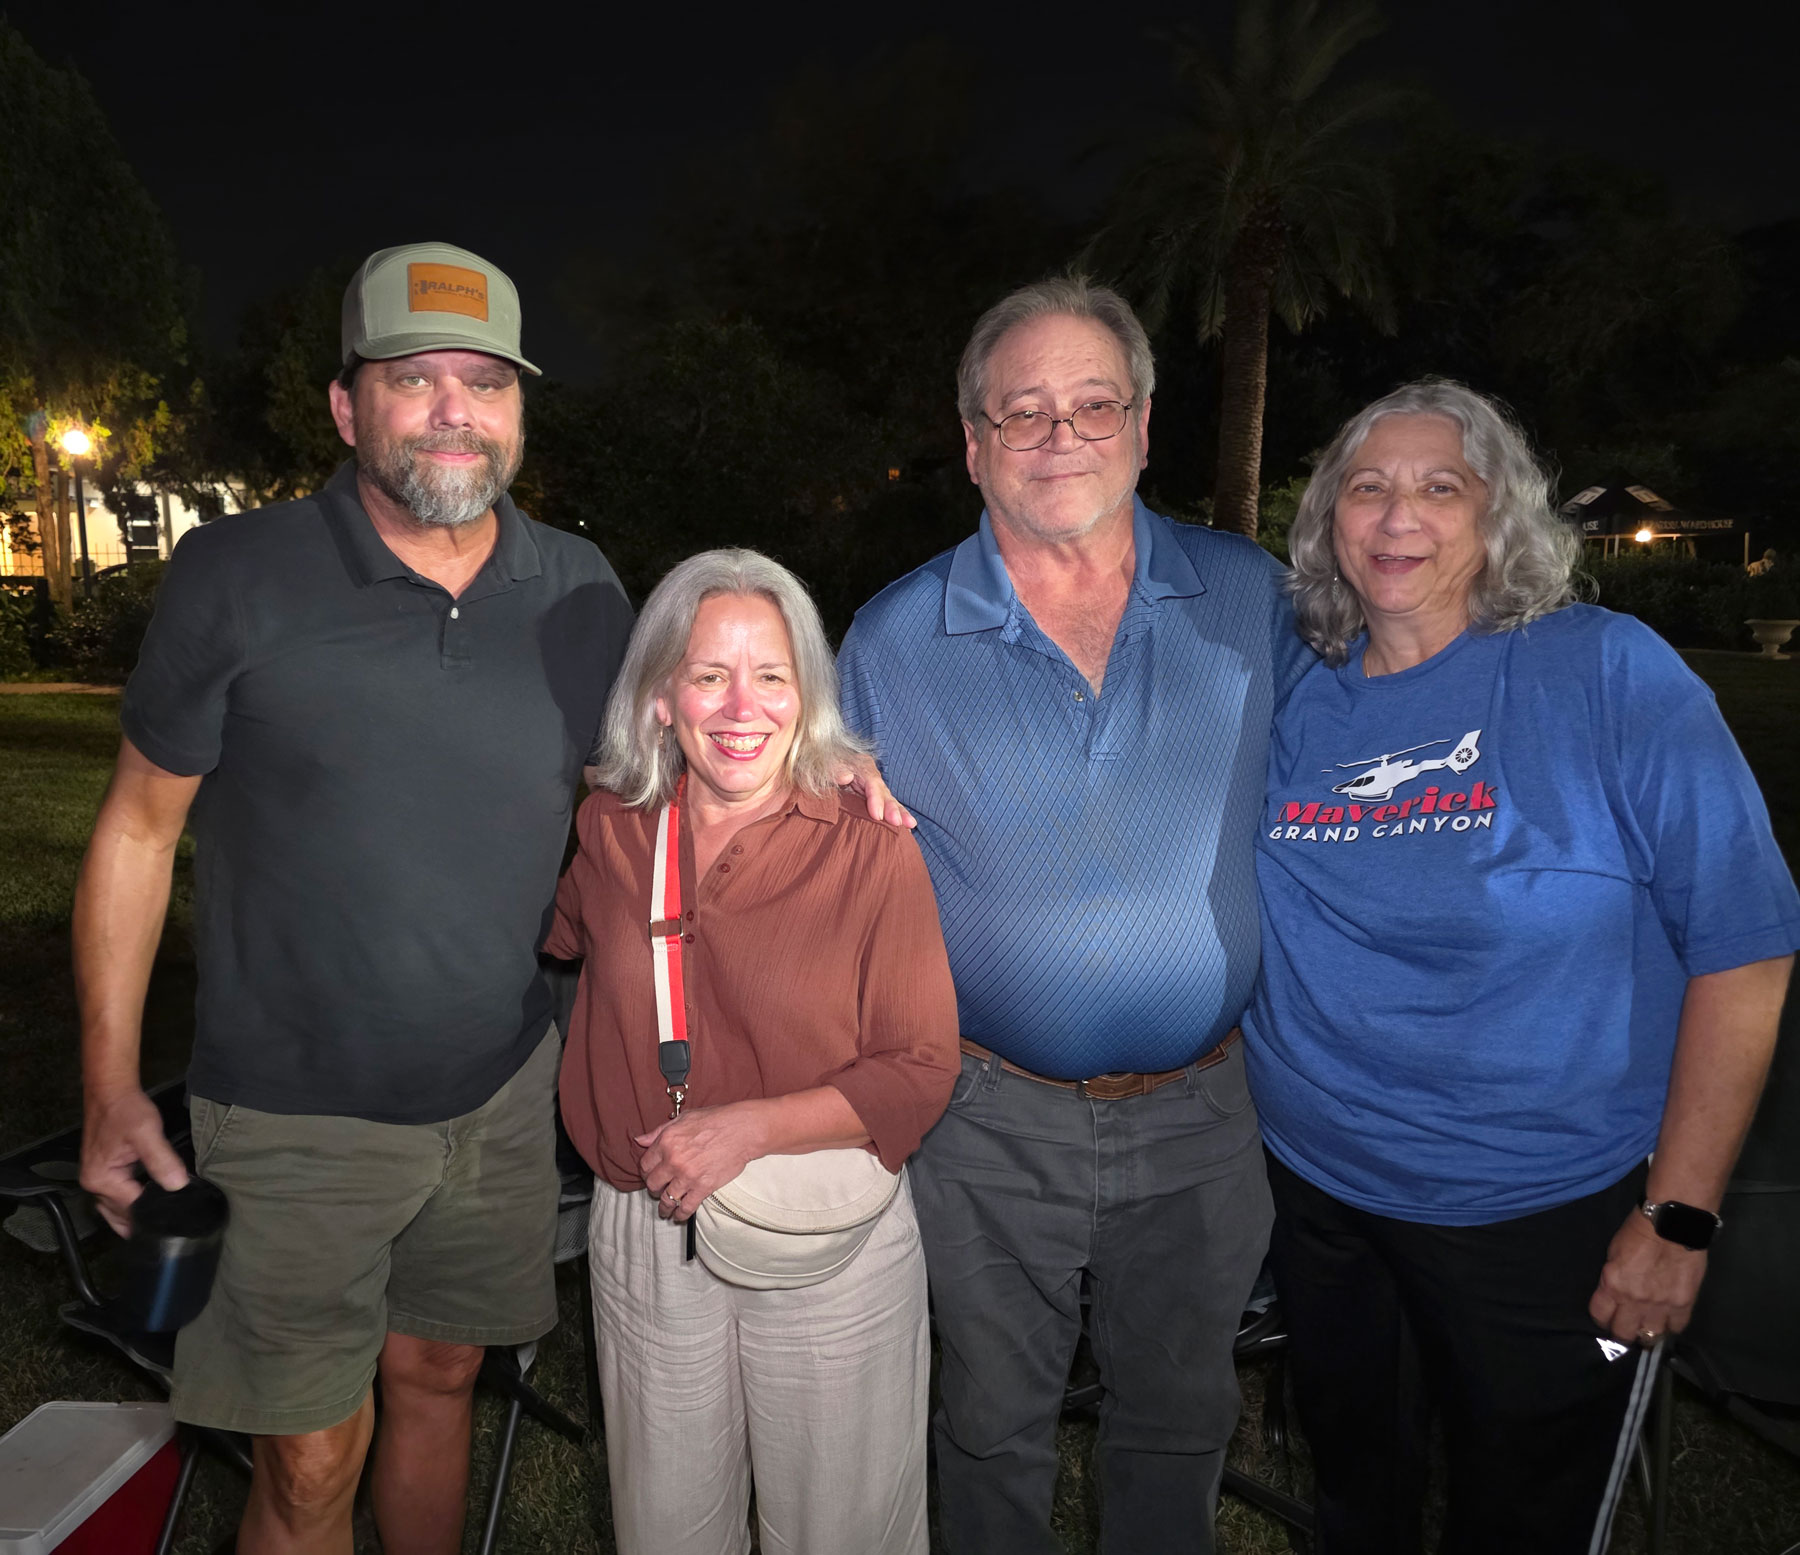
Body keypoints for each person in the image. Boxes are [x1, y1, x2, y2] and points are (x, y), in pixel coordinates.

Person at [71, 240, 635, 1555]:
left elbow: (651, 799)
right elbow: (138, 829)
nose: (454, 410)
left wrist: (834, 777)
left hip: (499, 1094)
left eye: (485, 382)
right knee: (310, 1461)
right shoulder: (237, 573)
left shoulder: (581, 589)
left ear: (519, 409)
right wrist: (107, 1087)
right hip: (291, 1109)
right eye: (413, 378)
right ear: (345, 405)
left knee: (440, 1377)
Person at [1243, 378, 1800, 1555]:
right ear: (1329, 522)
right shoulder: (1296, 690)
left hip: (1542, 1213)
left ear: (1499, 517)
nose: (1399, 516)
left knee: (1529, 1507)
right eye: (1368, 487)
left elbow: (1745, 946)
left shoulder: (1606, 670)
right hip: (1323, 1192)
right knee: (1357, 1487)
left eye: (1441, 487)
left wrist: (1679, 1218)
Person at [837, 277, 1312, 1555]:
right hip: (988, 1117)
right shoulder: (893, 638)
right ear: (974, 443)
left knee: (1181, 1413)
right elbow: (812, 838)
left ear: (1144, 427)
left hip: (1210, 1110)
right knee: (991, 1421)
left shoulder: (1252, 600)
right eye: (1024, 411)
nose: (1060, 436)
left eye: (1093, 405)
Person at [546, 547, 959, 1555]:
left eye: (772, 675)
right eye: (708, 674)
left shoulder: (869, 843)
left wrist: (749, 1129)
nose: (743, 707)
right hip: (646, 1222)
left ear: (806, 692)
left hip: (826, 1233)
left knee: (840, 1531)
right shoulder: (610, 833)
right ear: (660, 697)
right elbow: (557, 941)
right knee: (667, 1529)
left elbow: (919, 1063)